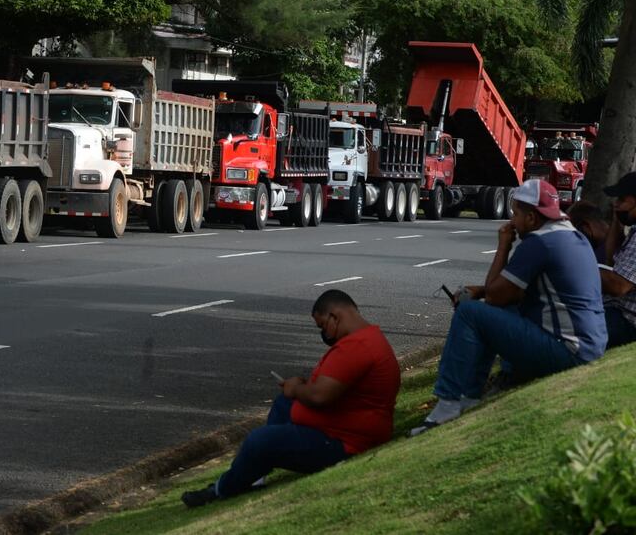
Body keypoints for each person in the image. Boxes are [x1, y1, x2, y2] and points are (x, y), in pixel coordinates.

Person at [411, 179, 606, 434]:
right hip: (589, 345)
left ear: (532, 218)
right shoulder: (571, 235)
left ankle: (447, 404)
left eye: (515, 213)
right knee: (491, 314)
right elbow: (510, 294)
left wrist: (504, 244)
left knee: (471, 313)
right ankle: (469, 397)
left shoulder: (539, 243)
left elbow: (495, 296)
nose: (512, 221)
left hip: (568, 351)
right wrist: (483, 292)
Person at [181, 290, 400, 507]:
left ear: (335, 316)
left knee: (259, 441)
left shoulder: (356, 347)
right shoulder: (367, 337)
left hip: (345, 443)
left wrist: (297, 389)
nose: (325, 335)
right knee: (284, 405)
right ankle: (254, 474)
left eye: (323, 326)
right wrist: (299, 388)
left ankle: (221, 489)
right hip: (343, 426)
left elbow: (320, 396)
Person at [601, 172, 636, 348]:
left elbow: (619, 286)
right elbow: (610, 260)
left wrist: (580, 266)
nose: (616, 204)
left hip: (626, 321)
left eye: (622, 199)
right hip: (617, 312)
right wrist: (617, 220)